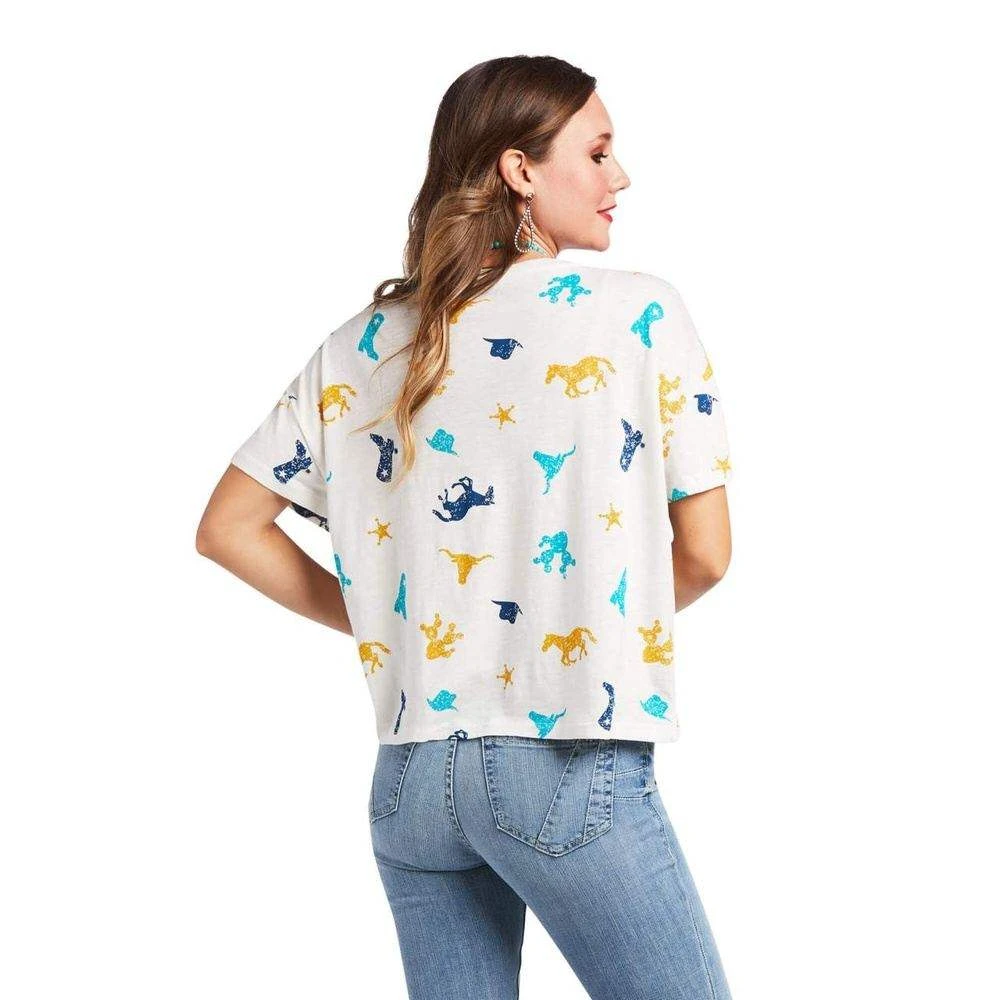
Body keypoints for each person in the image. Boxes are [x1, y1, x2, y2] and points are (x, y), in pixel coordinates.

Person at [197, 55, 734, 1000]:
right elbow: (706, 554)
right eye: (598, 153)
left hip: (412, 785)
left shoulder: (364, 342)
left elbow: (230, 527)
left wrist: (394, 627)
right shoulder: (640, 315)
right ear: (520, 170)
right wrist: (593, 620)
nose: (620, 176)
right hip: (568, 765)